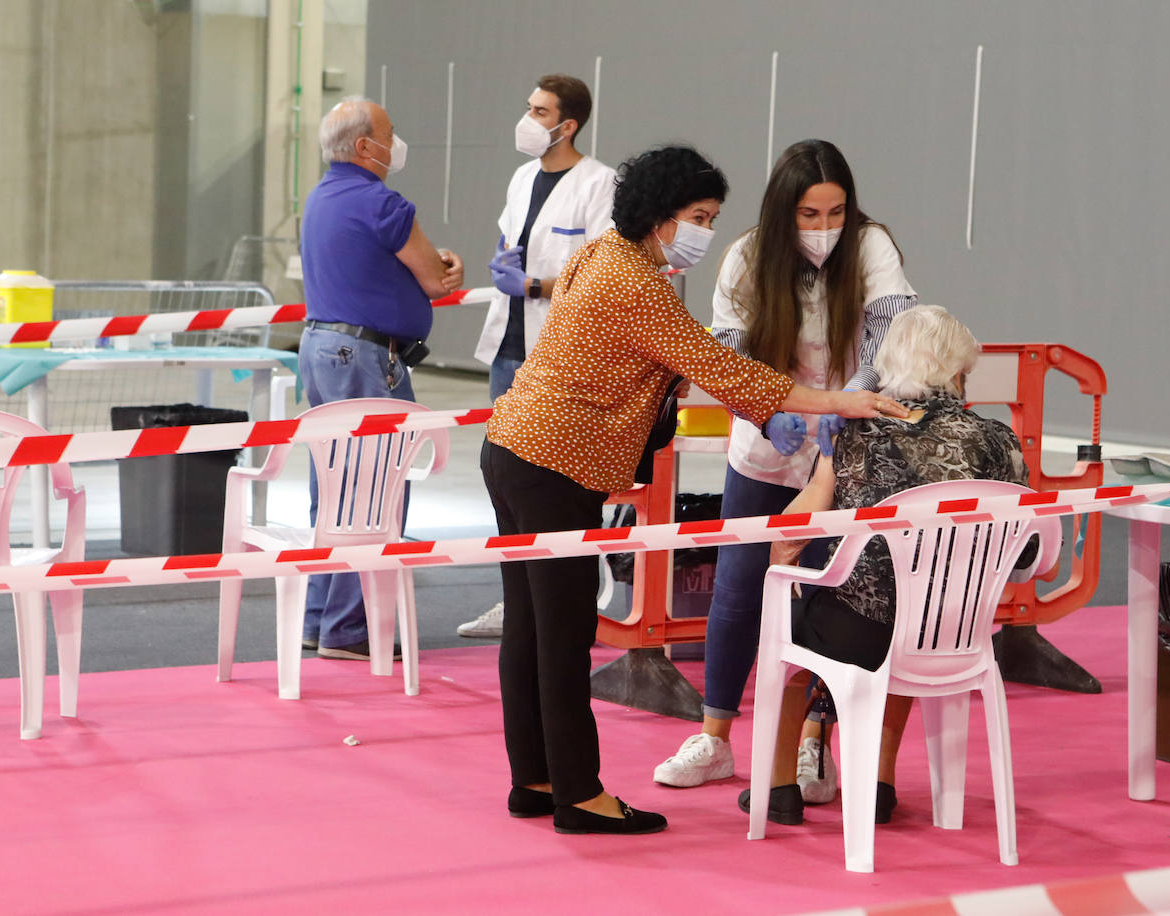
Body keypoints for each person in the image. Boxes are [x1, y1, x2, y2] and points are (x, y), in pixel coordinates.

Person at [480, 144, 905, 835]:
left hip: (514, 449)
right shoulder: (638, 286)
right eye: (698, 216)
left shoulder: (599, 255)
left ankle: (534, 778)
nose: (706, 230)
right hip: (555, 464)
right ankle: (579, 795)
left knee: (529, 630)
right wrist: (837, 404)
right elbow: (719, 364)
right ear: (660, 216)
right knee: (561, 637)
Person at [654, 139, 917, 802]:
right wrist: (768, 409)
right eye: (809, 215)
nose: (825, 228)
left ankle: (811, 747)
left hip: (846, 449)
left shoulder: (872, 245)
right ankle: (714, 737)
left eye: (835, 213)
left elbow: (891, 329)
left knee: (837, 600)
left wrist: (849, 401)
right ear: (782, 211)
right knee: (739, 592)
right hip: (767, 441)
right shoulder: (746, 255)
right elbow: (729, 347)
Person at [736, 305, 1032, 826]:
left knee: (802, 626)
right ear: (959, 372)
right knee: (909, 614)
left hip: (861, 631)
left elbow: (794, 526)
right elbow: (1027, 553)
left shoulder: (855, 431)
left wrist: (784, 568)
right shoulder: (997, 439)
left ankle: (780, 784)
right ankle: (876, 784)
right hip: (954, 631)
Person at [298, 97, 464, 660]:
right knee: (373, 491)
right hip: (366, 356)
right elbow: (436, 281)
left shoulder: (321, 198)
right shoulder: (383, 203)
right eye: (390, 134)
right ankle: (350, 629)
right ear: (367, 146)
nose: (397, 143)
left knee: (334, 485)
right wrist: (446, 265)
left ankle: (320, 617)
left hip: (320, 347)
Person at [460, 74, 616, 640]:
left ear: (567, 124)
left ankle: (560, 604)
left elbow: (602, 274)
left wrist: (533, 286)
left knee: (553, 488)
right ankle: (514, 600)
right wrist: (507, 273)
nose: (528, 117)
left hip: (560, 353)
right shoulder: (523, 176)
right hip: (510, 347)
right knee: (505, 485)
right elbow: (510, 247)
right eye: (527, 106)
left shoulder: (601, 184)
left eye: (539, 109)